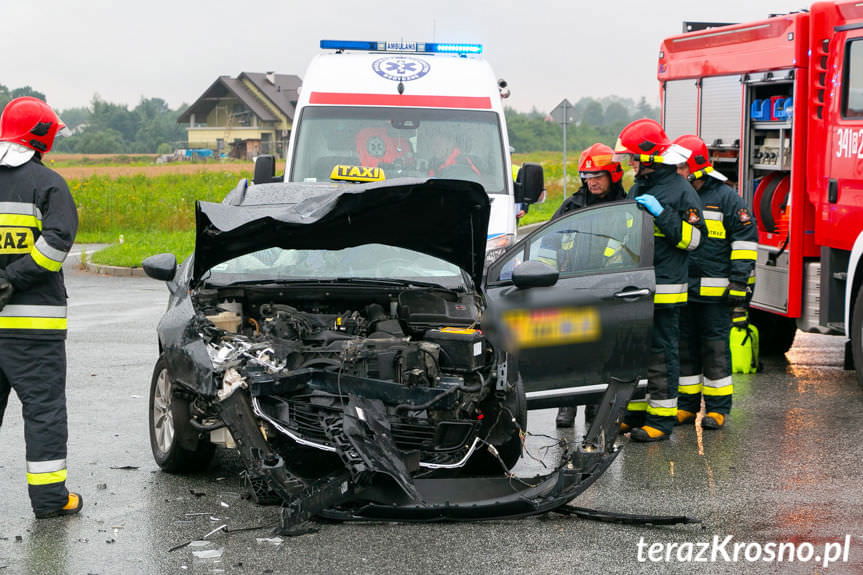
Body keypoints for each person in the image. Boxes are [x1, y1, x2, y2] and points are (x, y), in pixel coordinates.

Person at [0, 97, 82, 518]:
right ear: (42, 136)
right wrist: (13, 278)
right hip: (34, 329)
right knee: (44, 413)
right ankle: (51, 501)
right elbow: (55, 244)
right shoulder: (48, 184)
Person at [613, 119, 705, 442]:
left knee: (662, 355)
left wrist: (662, 215)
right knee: (637, 354)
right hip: (638, 287)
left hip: (665, 288)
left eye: (635, 158)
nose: (631, 164)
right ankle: (636, 414)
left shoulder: (681, 191)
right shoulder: (640, 188)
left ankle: (661, 421)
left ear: (650, 157)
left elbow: (694, 240)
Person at [672, 135, 757, 430]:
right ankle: (686, 407)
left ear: (695, 167)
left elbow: (745, 244)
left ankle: (718, 409)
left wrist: (738, 285)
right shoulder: (678, 196)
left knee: (715, 351)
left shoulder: (726, 199)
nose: (677, 172)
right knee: (685, 351)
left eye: (681, 167)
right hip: (684, 292)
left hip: (717, 296)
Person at [554, 143, 628, 428]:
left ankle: (595, 408)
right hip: (572, 288)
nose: (592, 181)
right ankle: (567, 407)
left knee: (602, 352)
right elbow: (549, 244)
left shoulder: (625, 208)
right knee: (570, 350)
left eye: (598, 175)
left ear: (613, 175)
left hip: (608, 290)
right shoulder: (571, 206)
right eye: (587, 176)